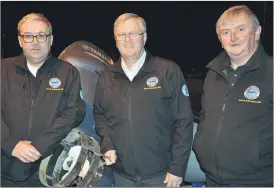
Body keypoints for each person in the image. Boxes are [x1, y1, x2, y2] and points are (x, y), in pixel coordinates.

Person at [93, 13, 193, 187]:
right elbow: (101, 115)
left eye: (133, 33)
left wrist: (177, 168)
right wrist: (107, 145)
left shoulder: (167, 71)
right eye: (122, 35)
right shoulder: (107, 76)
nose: (127, 39)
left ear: (144, 37)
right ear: (115, 40)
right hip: (121, 175)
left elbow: (183, 122)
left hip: (161, 175)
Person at [1, 13, 86, 186]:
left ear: (51, 39)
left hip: (46, 169)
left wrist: (40, 145)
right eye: (28, 36)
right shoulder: (3, 69)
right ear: (20, 40)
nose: (35, 42)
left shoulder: (67, 72)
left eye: (41, 36)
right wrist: (11, 144)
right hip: (4, 166)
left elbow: (74, 112)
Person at [193, 5, 273, 187]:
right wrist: (201, 143)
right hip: (213, 179)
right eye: (226, 32)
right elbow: (205, 117)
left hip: (258, 180)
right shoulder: (213, 74)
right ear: (220, 39)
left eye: (241, 29)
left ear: (257, 32)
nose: (233, 37)